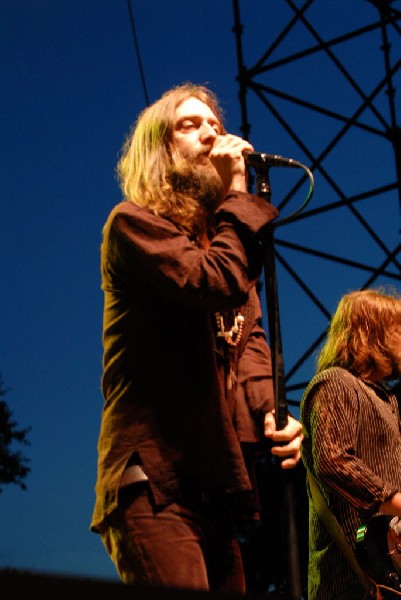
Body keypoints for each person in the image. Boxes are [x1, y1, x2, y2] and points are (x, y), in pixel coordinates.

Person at [90, 83, 303, 593]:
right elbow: (215, 282)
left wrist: (275, 413)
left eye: (216, 124)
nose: (211, 132)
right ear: (162, 150)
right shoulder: (133, 226)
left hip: (212, 488)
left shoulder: (226, 246)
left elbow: (248, 341)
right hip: (153, 481)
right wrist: (237, 197)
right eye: (190, 125)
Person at [301, 288, 401, 600]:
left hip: (385, 568)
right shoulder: (335, 383)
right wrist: (393, 499)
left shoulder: (388, 398)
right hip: (347, 575)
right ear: (375, 334)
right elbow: (332, 460)